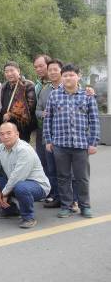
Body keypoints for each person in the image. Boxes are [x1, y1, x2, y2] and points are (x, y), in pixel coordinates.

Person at [43, 63, 100, 219]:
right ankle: (66, 206)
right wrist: (48, 140)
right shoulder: (54, 95)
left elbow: (94, 120)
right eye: (66, 75)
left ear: (78, 76)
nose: (68, 78)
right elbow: (48, 119)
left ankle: (85, 206)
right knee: (63, 177)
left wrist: (93, 142)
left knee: (82, 178)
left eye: (71, 75)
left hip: (81, 144)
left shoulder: (87, 96)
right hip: (60, 144)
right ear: (62, 77)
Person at [0, 122, 50, 229]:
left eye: (9, 133)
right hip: (15, 183)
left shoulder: (24, 150)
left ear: (17, 134)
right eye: (2, 134)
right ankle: (10, 210)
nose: (5, 136)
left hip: (37, 186)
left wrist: (4, 193)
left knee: (21, 187)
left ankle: (28, 217)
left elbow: (17, 177)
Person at [35, 58, 62, 208]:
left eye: (54, 69)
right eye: (50, 70)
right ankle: (55, 195)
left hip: (65, 135)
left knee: (66, 170)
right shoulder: (44, 90)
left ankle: (73, 199)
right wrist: (42, 113)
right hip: (48, 133)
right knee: (50, 167)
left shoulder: (69, 86)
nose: (52, 72)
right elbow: (37, 110)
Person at [0, 61, 36, 142]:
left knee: (21, 149)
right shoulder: (4, 86)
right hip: (6, 124)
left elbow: (30, 106)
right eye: (6, 71)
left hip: (21, 126)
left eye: (12, 71)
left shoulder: (27, 85)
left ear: (18, 71)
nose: (9, 74)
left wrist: (11, 115)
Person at [33, 55, 52, 178]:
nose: (38, 69)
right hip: (40, 128)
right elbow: (37, 108)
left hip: (54, 129)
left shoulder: (58, 83)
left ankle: (60, 194)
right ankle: (47, 190)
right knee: (42, 160)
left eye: (41, 66)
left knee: (54, 162)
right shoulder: (38, 85)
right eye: (36, 67)